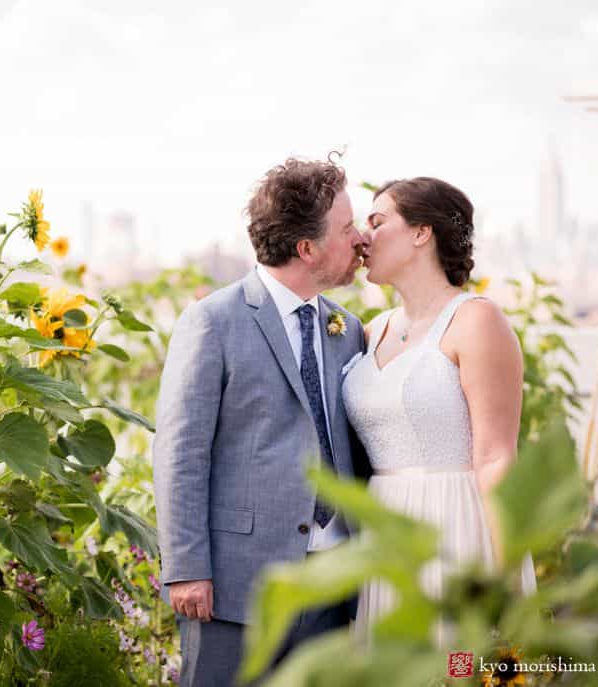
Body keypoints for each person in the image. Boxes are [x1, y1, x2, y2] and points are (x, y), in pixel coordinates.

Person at [153, 156, 373, 686]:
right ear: (306, 248)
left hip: (332, 584)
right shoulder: (213, 321)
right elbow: (180, 451)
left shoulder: (348, 329)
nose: (360, 239)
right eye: (346, 229)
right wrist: (186, 568)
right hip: (235, 586)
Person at [343, 176, 537, 646]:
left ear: (420, 232)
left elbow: (495, 457)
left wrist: (510, 574)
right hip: (384, 534)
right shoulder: (370, 331)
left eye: (377, 220)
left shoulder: (476, 321)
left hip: (453, 527)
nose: (363, 236)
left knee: (456, 664)